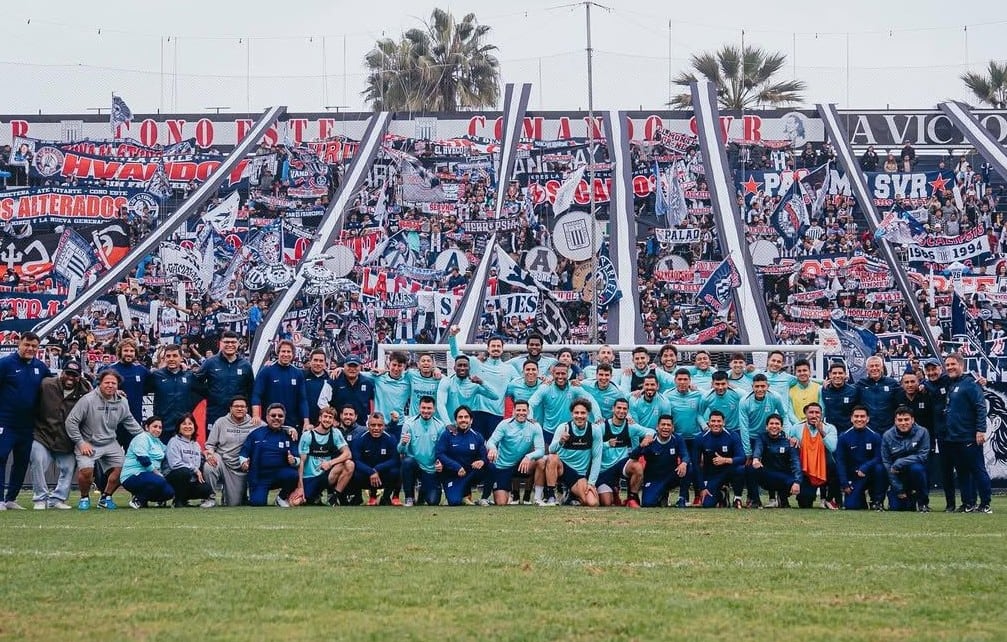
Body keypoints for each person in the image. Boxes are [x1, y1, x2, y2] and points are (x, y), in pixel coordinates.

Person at [64, 370, 143, 510]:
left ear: (118, 385)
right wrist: (81, 443)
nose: (110, 385)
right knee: (87, 470)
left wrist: (146, 438)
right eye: (107, 382)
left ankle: (106, 497)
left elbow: (130, 422)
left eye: (114, 383)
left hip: (110, 442)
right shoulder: (87, 400)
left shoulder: (122, 401)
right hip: (88, 442)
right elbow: (71, 422)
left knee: (124, 469)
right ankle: (84, 497)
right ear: (100, 383)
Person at [0, 332, 52, 510]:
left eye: (34, 346)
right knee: (1, 457)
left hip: (27, 425)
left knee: (22, 462)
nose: (30, 349)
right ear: (18, 344)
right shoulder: (5, 364)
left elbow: (55, 387)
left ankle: (10, 499)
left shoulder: (40, 367)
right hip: (5, 422)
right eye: (27, 345)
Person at [31, 361, 90, 510]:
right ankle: (40, 498)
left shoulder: (85, 390)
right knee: (37, 461)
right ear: (62, 373)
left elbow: (100, 394)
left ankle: (57, 499)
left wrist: (116, 393)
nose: (71, 378)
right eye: (68, 373)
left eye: (75, 375)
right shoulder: (46, 384)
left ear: (79, 377)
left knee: (68, 468)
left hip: (66, 439)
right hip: (42, 434)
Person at [941, 353, 992, 513]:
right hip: (954, 437)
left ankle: (985, 504)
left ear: (961, 365)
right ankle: (968, 503)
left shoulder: (970, 384)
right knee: (962, 473)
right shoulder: (951, 384)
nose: (950, 367)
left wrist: (980, 430)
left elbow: (980, 407)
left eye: (952, 364)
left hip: (969, 436)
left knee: (977, 470)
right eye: (947, 365)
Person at [448, 328, 510, 440]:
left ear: (502, 349)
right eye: (493, 346)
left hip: (496, 414)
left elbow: (523, 381)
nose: (495, 349)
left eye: (498, 346)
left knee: (493, 448)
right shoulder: (476, 363)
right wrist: (452, 336)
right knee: (474, 446)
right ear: (488, 348)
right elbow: (456, 355)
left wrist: (545, 378)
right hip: (477, 412)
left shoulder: (509, 369)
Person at [239, 403, 301, 508]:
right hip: (260, 477)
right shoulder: (256, 434)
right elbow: (244, 452)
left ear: (284, 418)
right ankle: (256, 495)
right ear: (267, 417)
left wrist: (293, 460)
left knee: (294, 475)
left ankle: (281, 498)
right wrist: (244, 462)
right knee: (258, 503)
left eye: (280, 416)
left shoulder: (289, 435)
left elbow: (298, 458)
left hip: (280, 474)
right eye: (273, 415)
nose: (276, 418)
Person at [543, 399, 603, 507]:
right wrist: (561, 441)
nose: (579, 416)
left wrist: (591, 483)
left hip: (579, 474)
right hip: (562, 469)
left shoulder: (594, 430)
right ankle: (551, 495)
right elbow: (551, 450)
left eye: (583, 413)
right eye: (576, 413)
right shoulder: (563, 427)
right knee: (552, 458)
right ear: (572, 414)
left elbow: (596, 458)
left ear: (588, 414)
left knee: (592, 503)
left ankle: (570, 495)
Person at [596, 398, 653, 508]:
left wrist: (648, 436)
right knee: (606, 503)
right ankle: (614, 491)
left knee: (637, 466)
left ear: (627, 411)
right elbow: (592, 445)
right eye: (619, 408)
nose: (621, 411)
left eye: (624, 409)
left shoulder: (630, 426)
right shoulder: (602, 426)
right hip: (604, 470)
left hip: (621, 465)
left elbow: (651, 431)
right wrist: (607, 444)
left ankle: (632, 498)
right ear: (613, 409)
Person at [486, 399, 545, 506]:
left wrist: (528, 456)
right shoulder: (504, 424)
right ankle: (510, 493)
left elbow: (541, 450)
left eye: (524, 410)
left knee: (541, 461)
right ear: (513, 411)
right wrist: (493, 448)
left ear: (528, 412)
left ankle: (537, 498)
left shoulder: (535, 426)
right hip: (503, 466)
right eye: (518, 410)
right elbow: (491, 441)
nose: (521, 413)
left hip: (521, 464)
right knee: (501, 503)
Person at [203, 396, 259, 507]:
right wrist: (210, 454)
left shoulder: (255, 423)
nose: (239, 409)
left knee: (234, 504)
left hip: (243, 466)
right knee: (209, 466)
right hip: (223, 461)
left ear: (247, 409)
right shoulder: (220, 422)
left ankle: (233, 494)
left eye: (242, 406)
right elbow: (210, 444)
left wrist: (288, 429)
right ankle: (210, 498)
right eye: (236, 406)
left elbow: (273, 426)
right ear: (230, 408)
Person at [193, 331, 254, 426]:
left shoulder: (246, 365)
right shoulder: (210, 363)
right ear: (220, 343)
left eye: (233, 342)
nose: (230, 345)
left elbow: (251, 391)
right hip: (215, 414)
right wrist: (209, 394)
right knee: (213, 441)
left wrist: (251, 413)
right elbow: (196, 382)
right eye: (226, 342)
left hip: (238, 416)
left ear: (238, 343)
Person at [297, 405, 354, 506]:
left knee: (349, 464)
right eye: (325, 416)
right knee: (297, 502)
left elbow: (348, 453)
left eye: (330, 417)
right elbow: (301, 462)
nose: (327, 420)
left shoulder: (335, 433)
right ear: (320, 418)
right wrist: (300, 487)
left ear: (333, 420)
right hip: (309, 477)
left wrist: (330, 463)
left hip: (325, 475)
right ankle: (315, 496)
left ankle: (334, 497)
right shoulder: (308, 435)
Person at [630, 414, 690, 508]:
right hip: (654, 478)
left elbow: (685, 455)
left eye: (668, 425)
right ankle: (662, 495)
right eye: (663, 425)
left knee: (688, 466)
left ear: (673, 428)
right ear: (657, 427)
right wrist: (641, 446)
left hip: (671, 476)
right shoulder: (650, 440)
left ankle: (682, 498)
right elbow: (633, 456)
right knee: (648, 504)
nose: (666, 427)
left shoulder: (677, 439)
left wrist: (684, 462)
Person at [252, 340, 309, 435]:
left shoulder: (298, 373)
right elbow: (256, 395)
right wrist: (256, 415)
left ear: (293, 354)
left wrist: (306, 421)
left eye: (289, 352)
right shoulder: (266, 371)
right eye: (283, 351)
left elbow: (302, 399)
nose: (286, 354)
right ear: (278, 353)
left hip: (291, 423)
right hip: (270, 421)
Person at [788, 402, 839, 510]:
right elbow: (790, 445)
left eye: (817, 413)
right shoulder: (796, 428)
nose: (814, 415)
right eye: (811, 412)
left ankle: (829, 499)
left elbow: (832, 447)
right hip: (806, 470)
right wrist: (792, 440)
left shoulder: (829, 428)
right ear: (805, 414)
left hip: (825, 468)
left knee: (835, 466)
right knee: (804, 503)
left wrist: (821, 431)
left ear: (822, 415)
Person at [436, 405, 490, 506]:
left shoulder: (477, 436)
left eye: (466, 417)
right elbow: (440, 453)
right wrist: (457, 467)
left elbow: (485, 456)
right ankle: (463, 495)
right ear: (455, 420)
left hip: (470, 474)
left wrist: (482, 461)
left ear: (471, 420)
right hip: (452, 475)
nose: (463, 420)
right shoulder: (447, 434)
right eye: (460, 417)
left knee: (491, 467)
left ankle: (484, 498)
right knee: (454, 502)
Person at [881, 406, 931, 512]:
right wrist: (898, 488)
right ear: (895, 421)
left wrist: (900, 462)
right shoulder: (887, 435)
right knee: (897, 508)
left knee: (917, 469)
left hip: (915, 472)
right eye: (900, 420)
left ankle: (923, 502)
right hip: (897, 475)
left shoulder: (923, 432)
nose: (903, 423)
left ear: (912, 420)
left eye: (906, 419)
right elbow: (887, 463)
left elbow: (923, 456)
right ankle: (898, 497)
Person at [835, 405, 886, 511]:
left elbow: (879, 457)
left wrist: (865, 467)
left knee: (880, 469)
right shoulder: (843, 437)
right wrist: (844, 483)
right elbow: (840, 462)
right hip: (854, 476)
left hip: (869, 474)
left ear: (867, 419)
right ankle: (860, 498)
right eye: (856, 416)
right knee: (851, 506)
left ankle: (877, 501)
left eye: (862, 416)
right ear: (851, 418)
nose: (859, 419)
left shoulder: (875, 436)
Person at [145, 344, 198, 443]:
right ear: (164, 358)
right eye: (168, 356)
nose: (171, 359)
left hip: (183, 428)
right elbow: (140, 390)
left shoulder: (190, 376)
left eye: (175, 356)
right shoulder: (156, 376)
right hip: (163, 428)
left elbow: (205, 392)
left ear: (181, 358)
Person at [398, 396, 446, 506]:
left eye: (429, 408)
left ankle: (422, 490)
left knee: (433, 501)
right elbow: (400, 450)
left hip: (431, 469)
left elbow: (442, 450)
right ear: (419, 408)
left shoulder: (440, 426)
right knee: (407, 462)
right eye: (423, 408)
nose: (426, 411)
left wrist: (440, 461)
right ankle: (409, 497)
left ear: (434, 409)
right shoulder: (409, 424)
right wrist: (403, 443)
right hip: (415, 466)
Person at [120, 417, 175, 509]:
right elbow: (144, 460)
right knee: (159, 480)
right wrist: (157, 474)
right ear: (146, 427)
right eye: (155, 426)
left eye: (160, 427)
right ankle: (138, 500)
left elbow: (168, 452)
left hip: (149, 477)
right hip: (132, 476)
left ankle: (144, 499)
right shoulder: (142, 438)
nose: (157, 430)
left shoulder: (157, 442)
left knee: (169, 492)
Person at [696, 410, 747, 509]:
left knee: (740, 469)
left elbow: (742, 458)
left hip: (728, 472)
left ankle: (737, 498)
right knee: (707, 504)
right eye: (713, 421)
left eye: (719, 421)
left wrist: (725, 460)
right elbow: (696, 464)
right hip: (711, 475)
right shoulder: (700, 438)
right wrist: (702, 487)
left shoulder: (732, 436)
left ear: (724, 422)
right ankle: (722, 495)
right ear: (708, 423)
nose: (716, 424)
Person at [349, 412, 401, 506]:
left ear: (384, 426)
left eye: (379, 425)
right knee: (353, 472)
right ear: (368, 426)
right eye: (373, 425)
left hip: (383, 475)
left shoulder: (391, 438)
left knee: (396, 471)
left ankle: (386, 497)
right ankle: (357, 497)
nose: (376, 428)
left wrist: (377, 469)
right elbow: (356, 460)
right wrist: (371, 472)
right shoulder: (359, 439)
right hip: (366, 475)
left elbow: (395, 460)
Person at [751, 414, 802, 508]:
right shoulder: (761, 437)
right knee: (751, 469)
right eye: (771, 423)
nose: (774, 426)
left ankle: (783, 498)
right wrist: (755, 459)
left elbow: (796, 462)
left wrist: (797, 482)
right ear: (766, 427)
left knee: (800, 485)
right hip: (767, 475)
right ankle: (755, 500)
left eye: (777, 424)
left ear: (781, 427)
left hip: (783, 476)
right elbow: (758, 448)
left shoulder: (789, 441)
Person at [165, 414, 213, 507]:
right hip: (174, 477)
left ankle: (184, 499)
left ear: (194, 427)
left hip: (190, 479)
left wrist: (206, 455)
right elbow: (174, 464)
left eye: (190, 424)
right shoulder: (174, 442)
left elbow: (199, 462)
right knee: (184, 472)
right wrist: (194, 469)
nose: (187, 426)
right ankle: (178, 500)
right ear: (179, 427)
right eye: (184, 424)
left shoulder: (196, 444)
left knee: (206, 489)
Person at [103, 338, 150, 429]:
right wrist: (113, 391)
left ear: (135, 353)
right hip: (113, 419)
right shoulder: (110, 369)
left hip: (135, 418)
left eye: (132, 351)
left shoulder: (141, 370)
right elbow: (97, 389)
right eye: (126, 350)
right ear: (120, 352)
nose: (129, 353)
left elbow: (155, 380)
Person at [327, 355, 375, 427]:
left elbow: (372, 403)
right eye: (349, 366)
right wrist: (332, 420)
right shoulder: (335, 380)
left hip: (361, 427)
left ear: (360, 367)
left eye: (355, 366)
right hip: (338, 427)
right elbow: (325, 403)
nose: (352, 369)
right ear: (344, 366)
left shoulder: (367, 383)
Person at [373, 351, 412, 439]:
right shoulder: (378, 377)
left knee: (396, 451)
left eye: (399, 366)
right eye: (394, 365)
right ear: (388, 363)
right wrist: (340, 369)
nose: (396, 368)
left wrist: (434, 370)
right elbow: (357, 373)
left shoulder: (408, 380)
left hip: (399, 424)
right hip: (379, 424)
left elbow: (423, 373)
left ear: (404, 366)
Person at [856, 356, 898, 433]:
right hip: (868, 428)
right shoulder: (860, 383)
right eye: (871, 366)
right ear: (867, 369)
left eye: (877, 365)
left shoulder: (893, 383)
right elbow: (847, 389)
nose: (874, 368)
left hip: (889, 428)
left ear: (882, 368)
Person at [821, 362, 858, 433]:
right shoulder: (824, 390)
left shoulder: (853, 391)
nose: (837, 376)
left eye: (840, 373)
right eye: (834, 373)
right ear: (830, 375)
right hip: (830, 433)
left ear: (845, 374)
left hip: (848, 432)